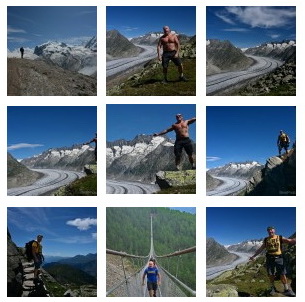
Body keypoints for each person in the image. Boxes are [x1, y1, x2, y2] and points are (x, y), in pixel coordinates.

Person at [249, 226, 296, 296]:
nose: (270, 231)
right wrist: (253, 256)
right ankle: (272, 288)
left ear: (274, 230)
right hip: (270, 259)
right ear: (267, 231)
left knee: (282, 274)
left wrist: (295, 240)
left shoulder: (279, 237)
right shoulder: (266, 240)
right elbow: (260, 249)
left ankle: (286, 289)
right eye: (269, 230)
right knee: (271, 274)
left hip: (279, 258)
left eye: (272, 230)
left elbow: (289, 241)